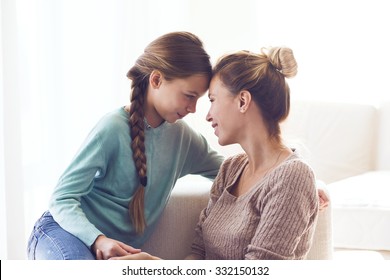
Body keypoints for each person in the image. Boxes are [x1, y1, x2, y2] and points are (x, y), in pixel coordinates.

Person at [27, 31, 224, 260]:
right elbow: (61, 198)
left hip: (110, 254)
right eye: (189, 96)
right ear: (157, 80)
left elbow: (231, 172)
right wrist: (99, 240)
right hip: (62, 233)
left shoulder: (183, 139)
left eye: (198, 99)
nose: (193, 109)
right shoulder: (112, 128)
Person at [111, 46, 322, 260]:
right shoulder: (231, 169)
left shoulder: (292, 177)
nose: (208, 116)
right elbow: (199, 255)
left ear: (242, 101)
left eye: (212, 100)